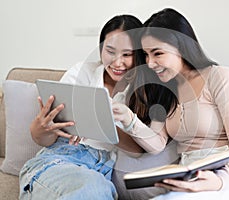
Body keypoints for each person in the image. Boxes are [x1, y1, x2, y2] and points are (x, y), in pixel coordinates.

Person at [112, 8, 229, 199]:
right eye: (146, 55)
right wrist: (129, 119)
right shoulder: (166, 90)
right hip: (192, 180)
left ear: (181, 47)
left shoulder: (219, 77)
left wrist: (220, 180)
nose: (149, 63)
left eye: (157, 53)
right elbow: (157, 143)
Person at [19, 14, 144, 200]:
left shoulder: (142, 91)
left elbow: (139, 148)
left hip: (103, 171)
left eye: (127, 54)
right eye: (110, 51)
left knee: (97, 188)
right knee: (93, 189)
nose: (118, 63)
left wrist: (103, 125)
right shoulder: (81, 72)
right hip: (62, 158)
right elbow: (42, 138)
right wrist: (42, 126)